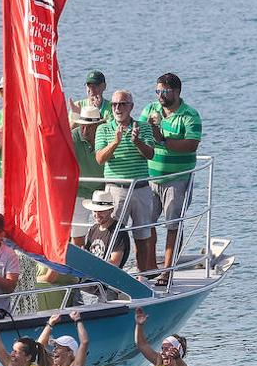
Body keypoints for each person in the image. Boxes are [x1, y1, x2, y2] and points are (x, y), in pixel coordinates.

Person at [141, 73, 203, 282]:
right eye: (158, 91)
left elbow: (191, 145)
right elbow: (140, 132)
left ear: (176, 92)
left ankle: (167, 271)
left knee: (173, 224)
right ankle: (150, 267)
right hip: (150, 178)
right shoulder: (150, 109)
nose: (160, 95)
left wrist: (162, 140)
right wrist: (147, 129)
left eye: (165, 91)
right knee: (145, 223)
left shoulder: (189, 115)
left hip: (177, 179)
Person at [96, 90, 157, 273]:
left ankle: (142, 276)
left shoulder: (143, 127)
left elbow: (150, 154)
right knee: (114, 236)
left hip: (141, 188)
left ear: (131, 106)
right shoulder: (103, 129)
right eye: (114, 104)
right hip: (116, 190)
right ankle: (112, 277)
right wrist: (115, 142)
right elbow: (100, 158)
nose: (117, 108)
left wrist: (137, 141)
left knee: (143, 236)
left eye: (122, 104)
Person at [70, 103, 106, 245]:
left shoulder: (106, 135)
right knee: (77, 231)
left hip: (104, 190)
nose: (84, 130)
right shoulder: (73, 136)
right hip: (80, 189)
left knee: (106, 230)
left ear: (98, 125)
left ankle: (104, 254)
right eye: (82, 125)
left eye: (89, 126)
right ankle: (79, 255)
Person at [82, 190, 131, 268]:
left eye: (101, 211)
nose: (97, 215)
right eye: (94, 211)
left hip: (106, 273)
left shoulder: (118, 231)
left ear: (111, 210)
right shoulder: (93, 228)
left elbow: (115, 263)